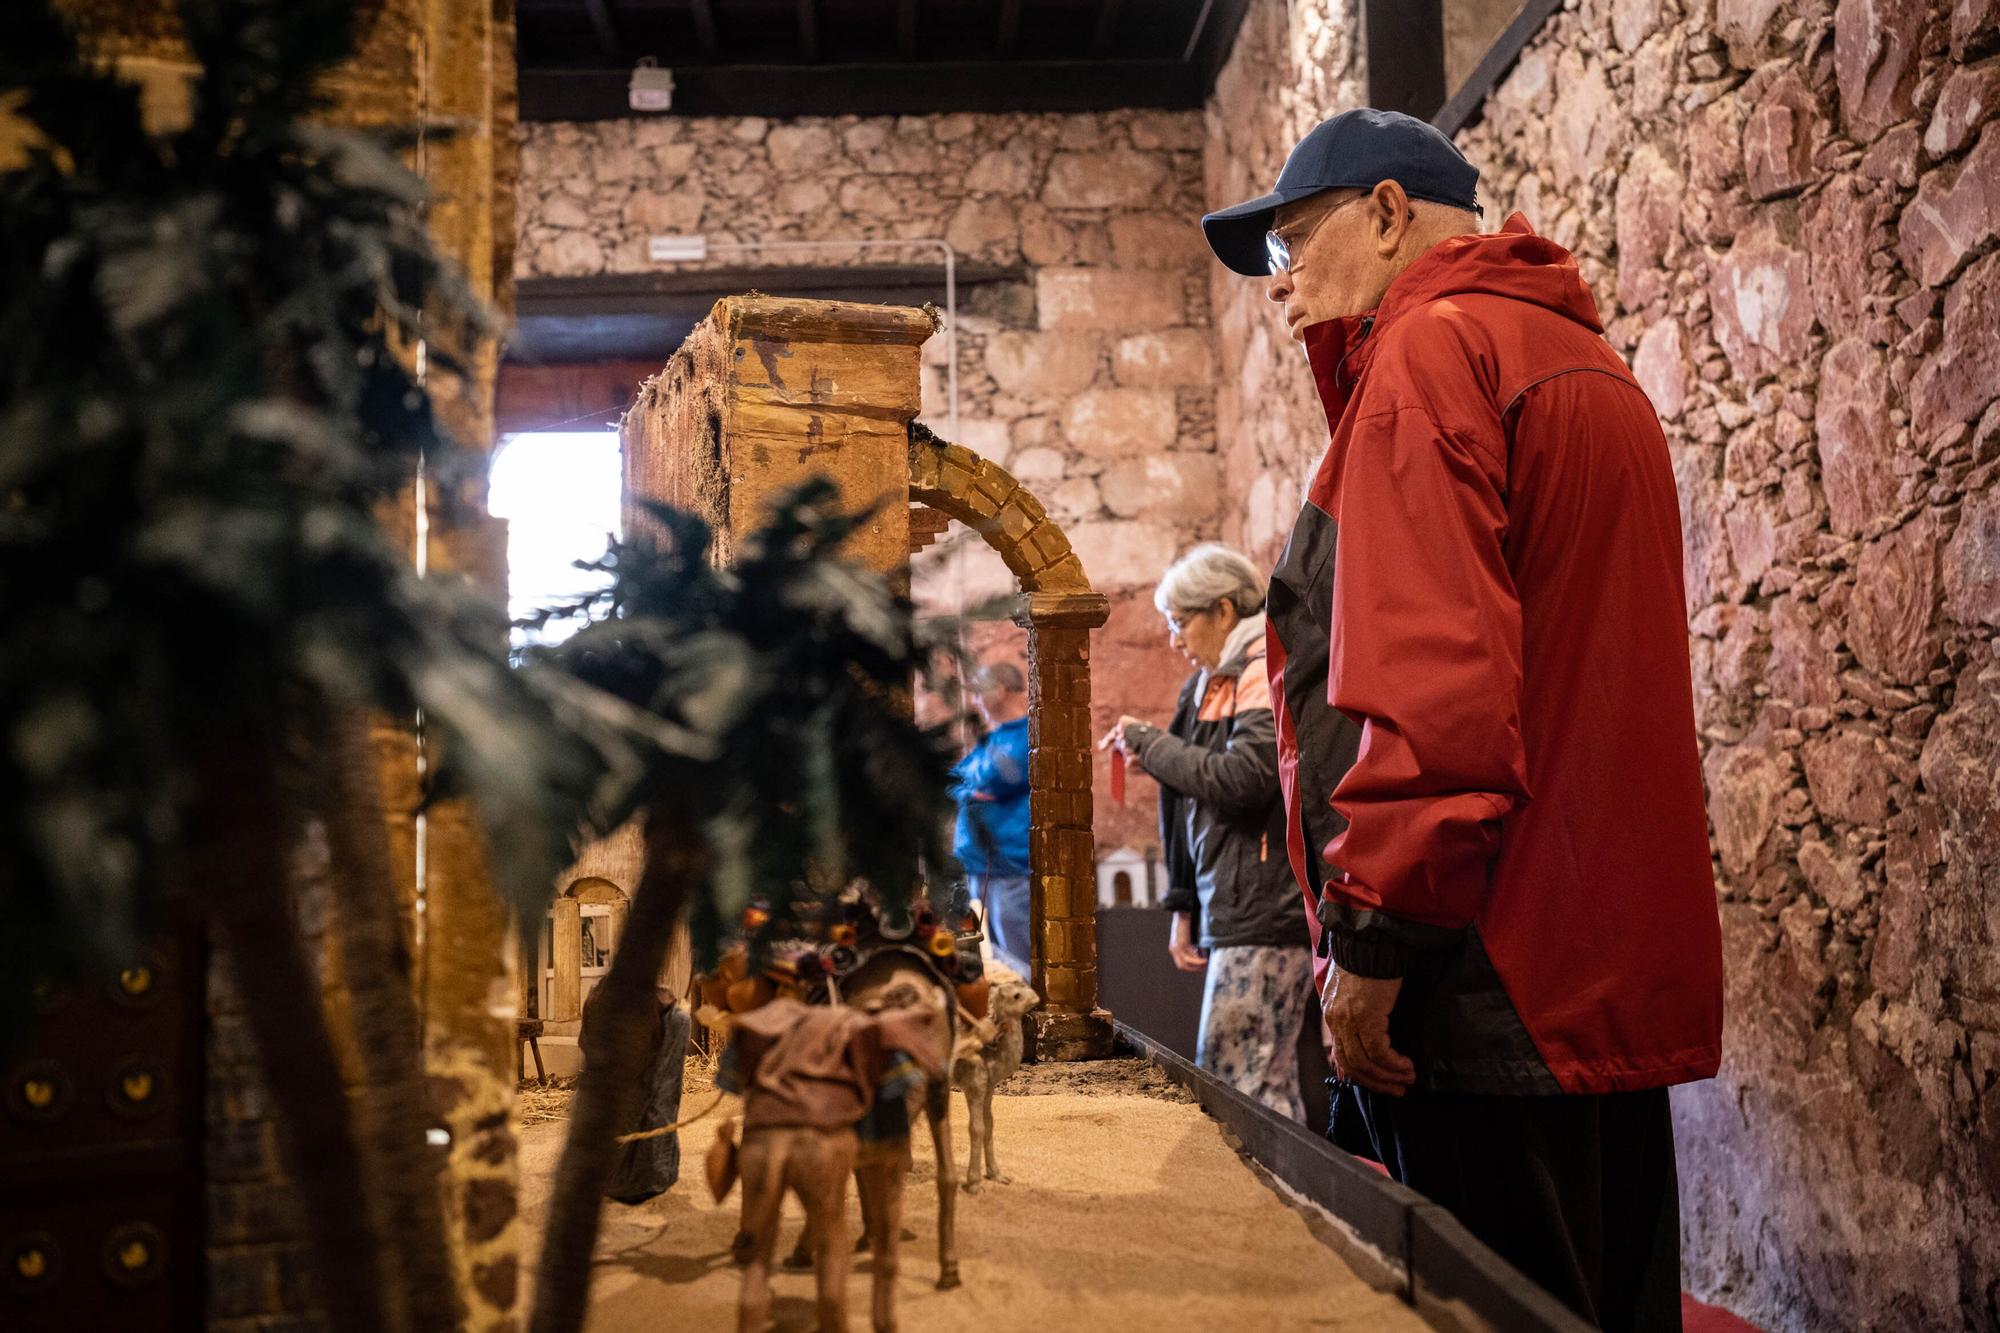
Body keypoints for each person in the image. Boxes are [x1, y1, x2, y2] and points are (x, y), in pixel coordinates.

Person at [1200, 108, 1723, 1331]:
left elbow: (1434, 693)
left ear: (1385, 214)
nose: (1278, 294)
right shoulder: (1583, 362)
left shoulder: (1426, 358)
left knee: (1482, 1303)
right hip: (1596, 957)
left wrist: (1375, 944)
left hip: (1484, 963)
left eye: (1287, 249)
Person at [1100, 544, 1311, 1123]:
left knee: (1241, 1081)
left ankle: (1266, 1211)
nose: (1174, 640)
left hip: (1268, 908)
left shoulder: (1262, 667)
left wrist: (1151, 744)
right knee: (1256, 1076)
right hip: (1238, 903)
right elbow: (1187, 799)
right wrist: (1185, 907)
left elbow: (1245, 779)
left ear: (1222, 610)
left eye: (1180, 622)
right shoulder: (1207, 685)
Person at [951, 661, 1032, 969]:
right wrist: (972, 789)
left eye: (978, 692)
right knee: (993, 963)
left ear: (999, 691)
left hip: (1010, 871)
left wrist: (974, 786)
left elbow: (997, 778)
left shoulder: (1027, 736)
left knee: (1021, 964)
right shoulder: (992, 740)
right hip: (981, 870)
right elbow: (955, 781)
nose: (974, 700)